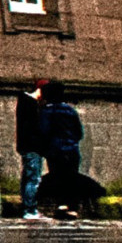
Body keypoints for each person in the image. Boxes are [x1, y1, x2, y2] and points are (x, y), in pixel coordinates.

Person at [39, 81, 86, 218]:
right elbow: (79, 132)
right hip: (71, 150)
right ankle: (72, 207)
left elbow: (44, 131)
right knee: (71, 177)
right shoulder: (70, 110)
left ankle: (61, 205)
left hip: (55, 150)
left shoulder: (47, 111)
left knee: (58, 176)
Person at [15, 82, 52, 220]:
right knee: (33, 179)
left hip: (26, 146)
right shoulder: (31, 105)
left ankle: (28, 208)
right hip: (32, 147)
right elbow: (35, 129)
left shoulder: (25, 102)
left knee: (28, 178)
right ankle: (30, 210)